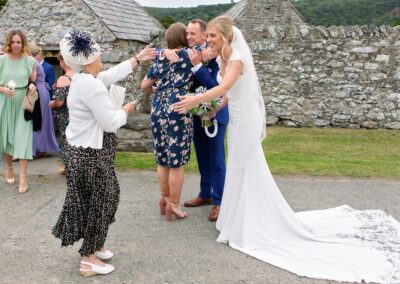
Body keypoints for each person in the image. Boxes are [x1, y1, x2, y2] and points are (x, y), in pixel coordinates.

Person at [173, 16, 400, 284]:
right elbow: (227, 94)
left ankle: (250, 223)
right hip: (236, 116)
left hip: (246, 120)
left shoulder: (236, 59)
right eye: (207, 35)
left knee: (245, 166)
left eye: (212, 35)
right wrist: (214, 107)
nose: (208, 39)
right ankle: (237, 219)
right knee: (238, 167)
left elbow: (223, 85)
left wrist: (194, 100)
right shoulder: (224, 58)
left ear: (226, 35)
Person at [52, 30, 157, 277]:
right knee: (102, 201)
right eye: (99, 54)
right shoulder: (90, 86)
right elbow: (110, 122)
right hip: (90, 156)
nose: (102, 59)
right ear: (91, 57)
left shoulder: (82, 78)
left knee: (98, 200)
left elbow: (108, 75)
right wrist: (126, 110)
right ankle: (88, 259)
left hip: (82, 153)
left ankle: (96, 244)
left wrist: (136, 59)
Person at [164, 19, 229, 222]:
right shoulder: (190, 54)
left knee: (216, 159)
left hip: (215, 113)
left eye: (193, 33)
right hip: (197, 114)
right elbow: (162, 52)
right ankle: (205, 193)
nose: (188, 37)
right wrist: (164, 52)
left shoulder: (217, 57)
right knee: (201, 156)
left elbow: (215, 88)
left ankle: (219, 201)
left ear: (204, 36)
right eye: (187, 34)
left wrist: (198, 66)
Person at [141, 22, 194, 221]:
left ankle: (164, 199)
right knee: (177, 162)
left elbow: (144, 85)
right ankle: (175, 204)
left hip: (158, 109)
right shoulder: (189, 55)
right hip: (178, 109)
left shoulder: (160, 59)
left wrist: (159, 90)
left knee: (163, 158)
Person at [0, 30, 37, 193]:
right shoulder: (1, 60)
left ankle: (23, 177)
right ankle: (9, 167)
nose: (16, 45)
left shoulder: (29, 61)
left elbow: (32, 79)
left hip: (23, 103)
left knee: (23, 138)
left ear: (23, 44)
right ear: (9, 43)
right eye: (13, 42)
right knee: (7, 137)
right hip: (5, 101)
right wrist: (2, 89)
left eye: (19, 42)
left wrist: (32, 85)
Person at [28, 42, 59, 158]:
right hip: (41, 90)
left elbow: (32, 78)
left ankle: (39, 148)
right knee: (42, 119)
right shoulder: (34, 61)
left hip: (38, 91)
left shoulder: (32, 62)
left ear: (29, 51)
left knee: (38, 119)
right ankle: (41, 148)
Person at [48, 53, 74, 174]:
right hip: (79, 113)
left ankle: (68, 166)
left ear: (63, 62)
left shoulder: (64, 79)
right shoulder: (81, 75)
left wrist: (51, 104)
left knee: (66, 138)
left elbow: (59, 102)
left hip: (66, 114)